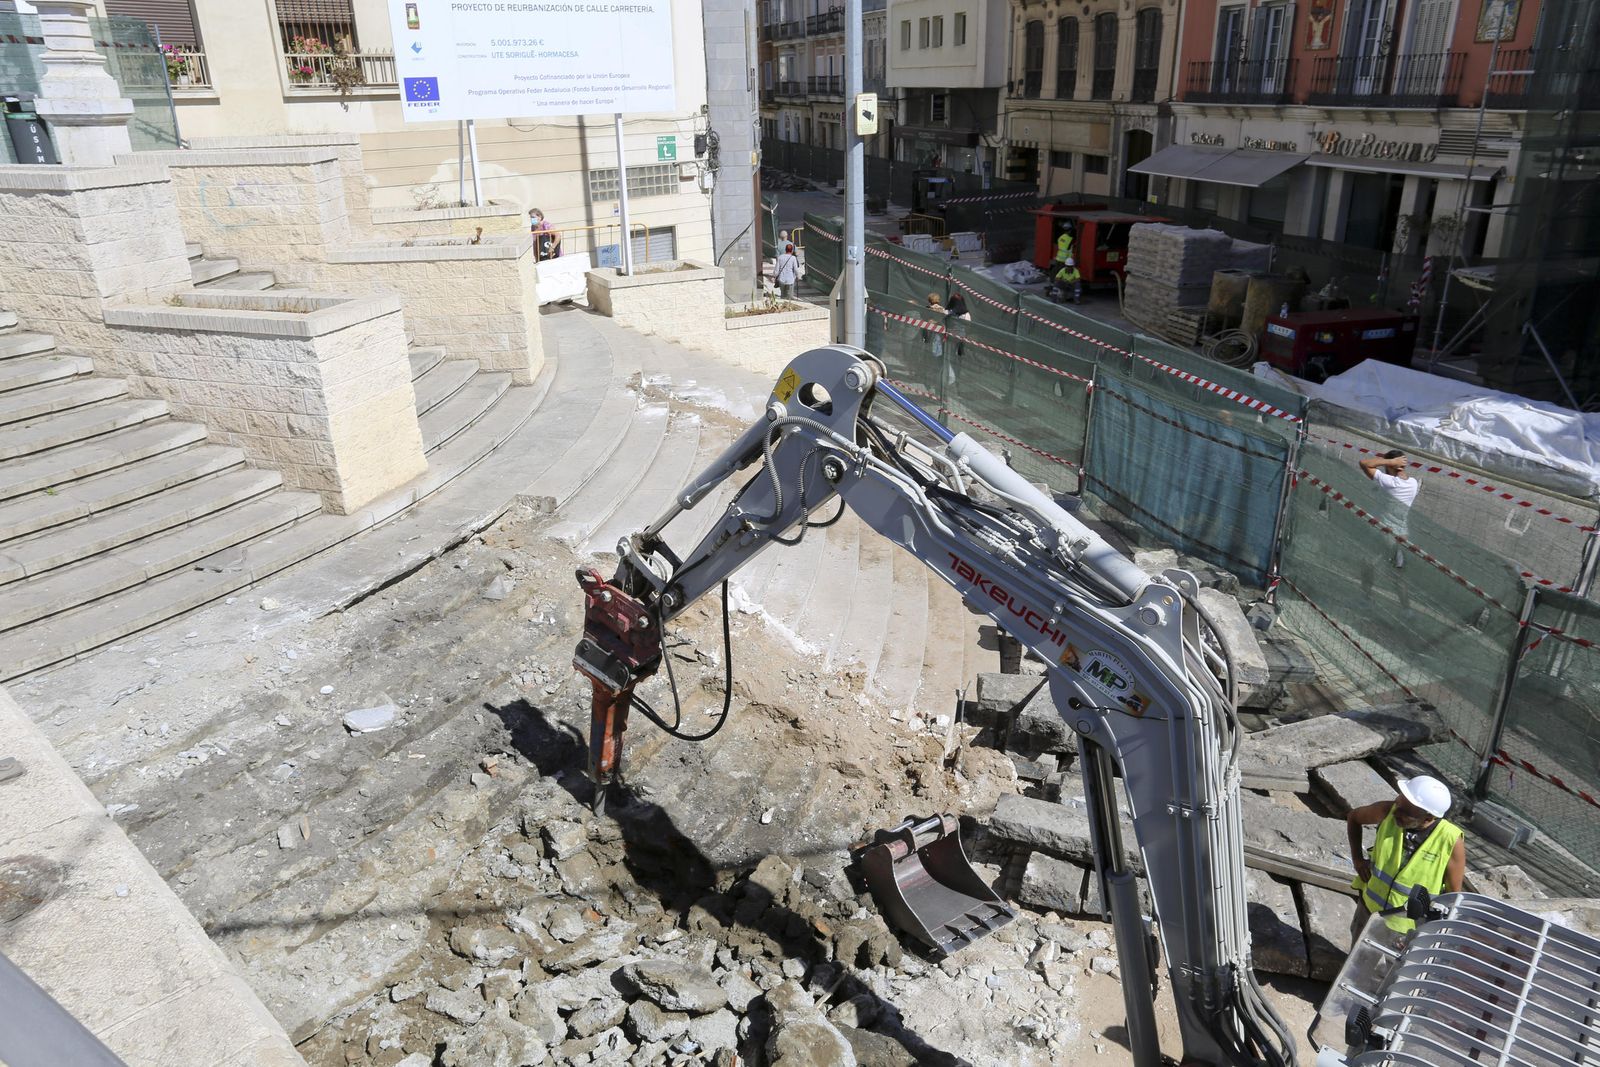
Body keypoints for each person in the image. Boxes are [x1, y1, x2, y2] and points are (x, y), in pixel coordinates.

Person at [1347, 775, 1465, 944]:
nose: (1396, 812)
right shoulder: (1387, 811)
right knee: (1357, 957)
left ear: (1428, 818)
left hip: (1406, 930)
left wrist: (1430, 934)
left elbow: (1452, 897)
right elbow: (1354, 817)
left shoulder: (1450, 841)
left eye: (1406, 813)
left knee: (1389, 963)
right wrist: (1357, 859)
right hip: (1369, 911)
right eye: (1399, 803)